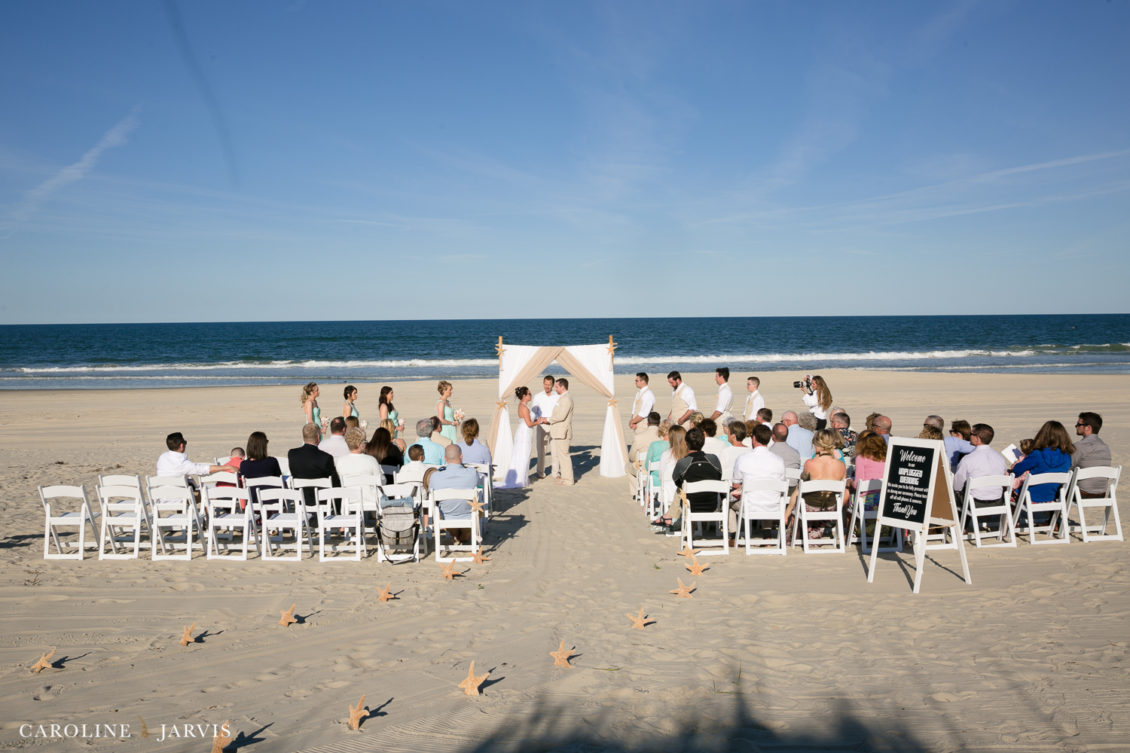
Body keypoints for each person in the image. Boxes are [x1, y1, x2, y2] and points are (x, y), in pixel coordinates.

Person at [729, 423, 786, 538]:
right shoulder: (778, 460)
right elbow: (781, 483)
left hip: (750, 504)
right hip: (773, 504)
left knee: (729, 503)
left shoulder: (743, 458)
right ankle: (767, 534)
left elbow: (735, 484)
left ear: (754, 438)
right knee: (768, 495)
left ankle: (734, 535)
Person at [792, 429, 846, 539]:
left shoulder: (810, 463)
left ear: (817, 444)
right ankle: (814, 531)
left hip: (812, 507)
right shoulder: (841, 465)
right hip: (831, 507)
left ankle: (796, 531)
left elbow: (802, 485)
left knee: (799, 496)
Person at [670, 427, 724, 529]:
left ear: (685, 444)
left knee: (682, 489)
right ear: (703, 443)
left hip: (691, 506)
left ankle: (674, 519)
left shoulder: (683, 462)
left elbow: (676, 481)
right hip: (712, 504)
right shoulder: (714, 459)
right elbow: (718, 476)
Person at [1011, 420, 1074, 506]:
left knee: (1008, 490)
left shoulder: (1038, 454)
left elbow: (1017, 470)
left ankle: (1015, 519)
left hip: (1031, 495)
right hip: (1053, 496)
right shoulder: (1067, 456)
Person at [427, 445, 482, 544]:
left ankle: (456, 535)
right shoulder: (472, 473)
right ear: (461, 457)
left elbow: (430, 493)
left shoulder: (435, 476)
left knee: (442, 506)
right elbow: (478, 485)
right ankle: (463, 536)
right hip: (469, 515)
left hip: (445, 517)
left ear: (445, 459)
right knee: (478, 502)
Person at [953, 423, 1009, 513]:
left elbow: (957, 486)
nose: (969, 436)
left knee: (952, 495)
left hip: (976, 503)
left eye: (971, 434)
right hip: (998, 501)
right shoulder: (999, 458)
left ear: (977, 438)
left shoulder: (968, 459)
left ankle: (961, 525)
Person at [288, 424, 340, 506]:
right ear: (318, 437)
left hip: (301, 500)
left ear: (303, 437)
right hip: (322, 501)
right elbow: (335, 483)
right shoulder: (325, 457)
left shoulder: (292, 454)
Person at [336, 427, 382, 509]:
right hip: (371, 498)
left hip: (349, 499)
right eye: (364, 441)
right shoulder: (371, 460)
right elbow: (380, 480)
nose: (366, 443)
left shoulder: (340, 461)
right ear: (359, 444)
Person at [156, 432, 236, 478]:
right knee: (206, 494)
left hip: (162, 497)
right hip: (179, 498)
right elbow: (202, 469)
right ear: (181, 445)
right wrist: (227, 467)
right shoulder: (182, 463)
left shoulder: (162, 458)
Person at [653, 425, 688, 528]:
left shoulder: (666, 454)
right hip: (686, 493)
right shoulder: (689, 454)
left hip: (669, 492)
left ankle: (668, 517)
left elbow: (661, 476)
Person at [1073, 412, 1112, 497]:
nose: (1076, 426)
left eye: (1078, 424)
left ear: (1088, 428)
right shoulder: (1105, 447)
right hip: (1101, 494)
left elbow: (1068, 467)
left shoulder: (1079, 446)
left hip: (1081, 494)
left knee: (1053, 489)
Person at [850, 430, 887, 517]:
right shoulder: (888, 458)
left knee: (847, 494)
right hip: (885, 502)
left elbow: (857, 484)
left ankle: (849, 527)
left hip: (866, 502)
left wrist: (850, 482)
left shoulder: (861, 458)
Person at [545, 378, 575, 485]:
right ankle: (565, 477)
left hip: (563, 432)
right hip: (559, 431)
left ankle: (568, 480)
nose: (555, 388)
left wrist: (547, 419)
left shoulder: (566, 399)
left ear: (562, 387)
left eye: (557, 386)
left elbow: (561, 416)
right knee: (562, 456)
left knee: (564, 456)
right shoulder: (563, 398)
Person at [531, 375, 559, 480]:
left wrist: (549, 419)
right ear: (543, 383)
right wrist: (539, 419)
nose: (547, 386)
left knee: (555, 450)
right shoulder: (538, 396)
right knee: (541, 449)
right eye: (545, 384)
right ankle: (540, 472)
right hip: (541, 425)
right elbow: (534, 411)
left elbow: (559, 412)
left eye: (549, 384)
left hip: (554, 424)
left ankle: (556, 473)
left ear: (553, 384)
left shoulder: (557, 396)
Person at [768, 423, 801, 494]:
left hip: (774, 490)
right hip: (791, 491)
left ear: (773, 436)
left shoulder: (768, 453)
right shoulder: (795, 453)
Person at [627, 372, 657, 449]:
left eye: (637, 380)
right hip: (637, 422)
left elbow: (644, 413)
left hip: (644, 423)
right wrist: (632, 420)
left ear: (643, 381)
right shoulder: (638, 393)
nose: (635, 382)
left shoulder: (648, 394)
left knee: (643, 445)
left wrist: (633, 421)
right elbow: (634, 408)